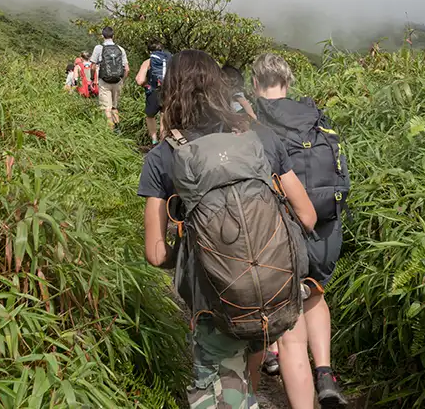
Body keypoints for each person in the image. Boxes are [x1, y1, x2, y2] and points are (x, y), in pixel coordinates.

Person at [139, 49, 320, 409]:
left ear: (170, 90)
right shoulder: (261, 138)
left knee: (225, 393)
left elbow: (155, 253)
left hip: (216, 305)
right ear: (219, 86)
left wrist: (196, 249)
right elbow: (308, 217)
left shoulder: (164, 156)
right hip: (277, 295)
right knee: (257, 367)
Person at [251, 53, 350, 408]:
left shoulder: (254, 118)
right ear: (288, 82)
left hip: (283, 228)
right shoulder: (316, 116)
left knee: (280, 298)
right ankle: (324, 374)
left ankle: (275, 354)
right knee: (316, 294)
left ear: (255, 83)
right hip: (326, 222)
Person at [89, 27, 129, 130]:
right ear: (113, 36)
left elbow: (93, 66)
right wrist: (122, 81)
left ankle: (110, 132)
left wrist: (92, 79)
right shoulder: (120, 49)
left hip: (104, 81)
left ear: (102, 36)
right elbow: (127, 69)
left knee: (106, 108)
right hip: (117, 81)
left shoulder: (99, 48)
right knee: (114, 107)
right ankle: (118, 130)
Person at [134, 40, 171, 144]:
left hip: (154, 91)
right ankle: (163, 140)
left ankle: (154, 141)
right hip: (169, 91)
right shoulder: (170, 60)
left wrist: (147, 84)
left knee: (150, 116)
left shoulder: (148, 61)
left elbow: (139, 80)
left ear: (149, 51)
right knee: (164, 114)